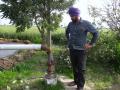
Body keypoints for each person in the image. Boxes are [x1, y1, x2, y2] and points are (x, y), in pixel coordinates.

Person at [66, 7, 99, 90]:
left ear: (77, 15)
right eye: (70, 15)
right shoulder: (70, 24)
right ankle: (76, 81)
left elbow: (95, 33)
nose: (71, 17)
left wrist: (91, 44)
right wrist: (69, 41)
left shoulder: (85, 23)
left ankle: (80, 86)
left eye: (72, 16)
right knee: (74, 67)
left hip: (81, 50)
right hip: (72, 49)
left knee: (81, 69)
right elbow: (67, 32)